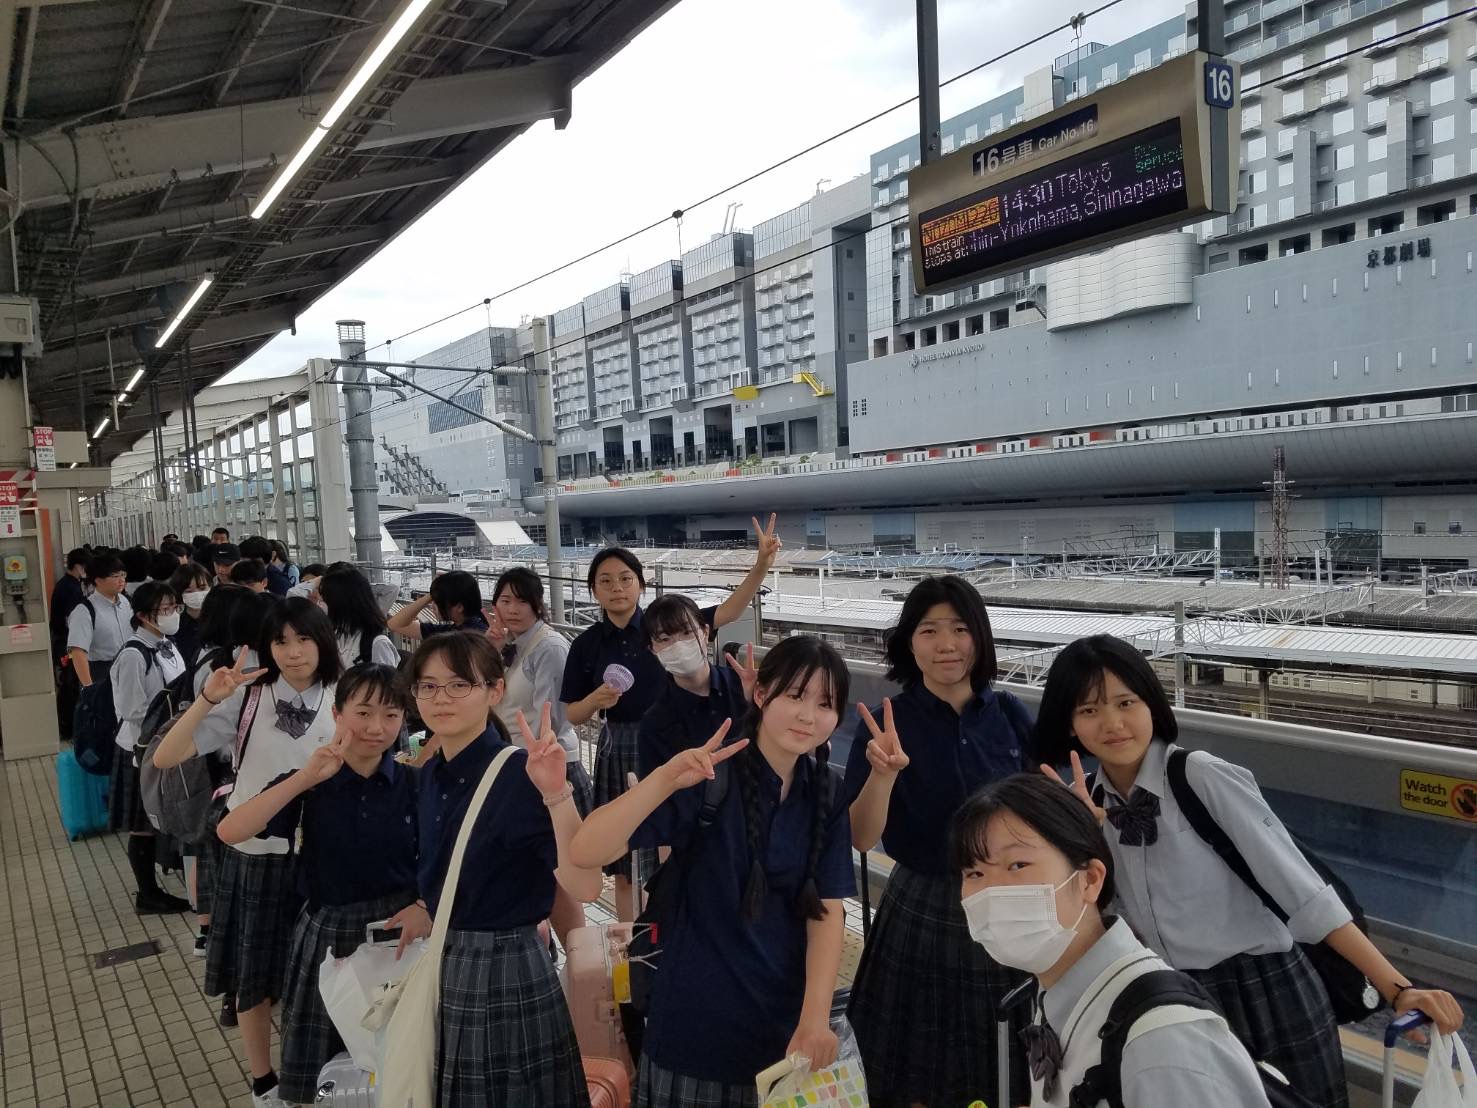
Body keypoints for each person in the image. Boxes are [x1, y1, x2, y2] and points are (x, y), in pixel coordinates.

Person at [1036, 634, 1465, 1108]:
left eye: (1126, 702)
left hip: (1264, 992)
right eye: (1090, 710)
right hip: (1167, 997)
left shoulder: (1199, 776)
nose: (1113, 724)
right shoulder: (1087, 804)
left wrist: (1398, 989)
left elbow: (1305, 894)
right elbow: (1097, 924)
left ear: (1151, 704)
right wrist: (1083, 840)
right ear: (1070, 724)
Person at [570, 635, 854, 1106]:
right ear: (761, 694)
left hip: (784, 1035)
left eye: (825, 704)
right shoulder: (708, 777)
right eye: (795, 695)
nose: (808, 715)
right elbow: (585, 849)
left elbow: (826, 910)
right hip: (694, 1033)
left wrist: (814, 1017)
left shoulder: (827, 790)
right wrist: (664, 779)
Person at [950, 773, 1275, 1107]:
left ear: (1090, 880)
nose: (992, 890)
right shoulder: (1060, 992)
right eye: (974, 873)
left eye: (1018, 864)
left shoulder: (1160, 1043)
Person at [841, 574, 1036, 1108]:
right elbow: (860, 836)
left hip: (1008, 902)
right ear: (910, 644)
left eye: (960, 629)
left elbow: (1044, 811)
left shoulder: (1010, 716)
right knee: (915, 1075)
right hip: (924, 902)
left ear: (980, 637)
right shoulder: (887, 724)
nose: (946, 644)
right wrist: (883, 775)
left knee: (1010, 1068)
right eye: (929, 631)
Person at [152, 598, 343, 1108]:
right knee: (252, 974)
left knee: (322, 972)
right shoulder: (247, 699)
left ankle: (321, 1069)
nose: (293, 652)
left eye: (304, 638)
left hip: (322, 856)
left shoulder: (344, 695)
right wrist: (206, 700)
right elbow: (166, 756)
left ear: (323, 640)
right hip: (253, 852)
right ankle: (263, 1080)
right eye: (280, 641)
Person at [409, 631, 601, 1107]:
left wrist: (557, 793)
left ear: (495, 690)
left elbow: (584, 884)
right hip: (446, 958)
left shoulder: (521, 773)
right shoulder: (430, 774)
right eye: (428, 686)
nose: (441, 698)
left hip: (505, 966)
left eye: (459, 684)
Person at [217, 664, 423, 1105]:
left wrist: (425, 907)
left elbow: (442, 862)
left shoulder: (415, 783)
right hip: (331, 934)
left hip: (403, 933)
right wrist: (305, 778)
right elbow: (230, 831)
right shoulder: (310, 782)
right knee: (329, 1071)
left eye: (391, 715)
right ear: (337, 713)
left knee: (405, 1061)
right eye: (363, 713)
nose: (377, 728)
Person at [561, 518, 780, 920]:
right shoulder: (587, 644)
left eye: (625, 579)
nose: (617, 588)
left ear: (640, 584)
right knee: (629, 856)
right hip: (624, 741)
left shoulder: (665, 622)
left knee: (674, 841)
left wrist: (762, 565)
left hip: (688, 745)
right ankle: (637, 930)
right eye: (605, 581)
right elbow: (572, 712)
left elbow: (732, 608)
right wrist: (595, 699)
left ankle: (669, 908)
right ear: (593, 590)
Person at [487, 566, 595, 948]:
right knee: (536, 867)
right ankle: (555, 948)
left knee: (558, 873)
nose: (512, 609)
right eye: (504, 600)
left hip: (550, 769)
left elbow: (555, 719)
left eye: (521, 601)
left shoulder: (549, 647)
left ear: (538, 604)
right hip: (516, 765)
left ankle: (579, 957)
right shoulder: (508, 642)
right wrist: (491, 650)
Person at [108, 581, 193, 914]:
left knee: (157, 818)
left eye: (175, 607)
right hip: (139, 749)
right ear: (143, 616)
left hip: (165, 742)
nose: (173, 614)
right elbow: (133, 710)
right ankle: (147, 893)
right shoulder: (133, 654)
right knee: (142, 825)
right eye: (165, 609)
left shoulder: (166, 644)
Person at [635, 593, 751, 775]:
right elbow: (657, 787)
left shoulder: (743, 686)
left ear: (705, 632)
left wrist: (760, 703)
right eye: (665, 639)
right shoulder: (654, 723)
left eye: (687, 632)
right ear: (652, 649)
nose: (679, 645)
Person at [67, 554, 134, 691]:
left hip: (128, 666)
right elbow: (78, 652)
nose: (121, 580)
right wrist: (89, 688)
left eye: (123, 575)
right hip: (102, 671)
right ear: (98, 580)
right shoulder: (84, 611)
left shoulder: (124, 602)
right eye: (115, 576)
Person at [317, 564, 402, 671]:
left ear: (339, 603)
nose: (319, 604)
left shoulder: (377, 644)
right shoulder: (333, 636)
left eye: (324, 599)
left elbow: (386, 681)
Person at [51, 548, 90, 735]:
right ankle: (68, 726)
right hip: (67, 642)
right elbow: (71, 619)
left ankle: (66, 724)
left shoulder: (65, 584)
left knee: (68, 684)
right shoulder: (71, 588)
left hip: (62, 639)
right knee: (70, 685)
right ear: (78, 566)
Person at [387, 569, 488, 641]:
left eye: (439, 601)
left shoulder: (472, 637)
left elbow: (394, 625)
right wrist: (433, 592)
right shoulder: (457, 630)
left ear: (459, 607)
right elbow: (394, 624)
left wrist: (432, 594)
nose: (433, 606)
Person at [168, 562, 214, 668]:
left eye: (202, 588)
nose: (196, 594)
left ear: (211, 587)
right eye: (189, 591)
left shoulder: (220, 620)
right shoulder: (174, 626)